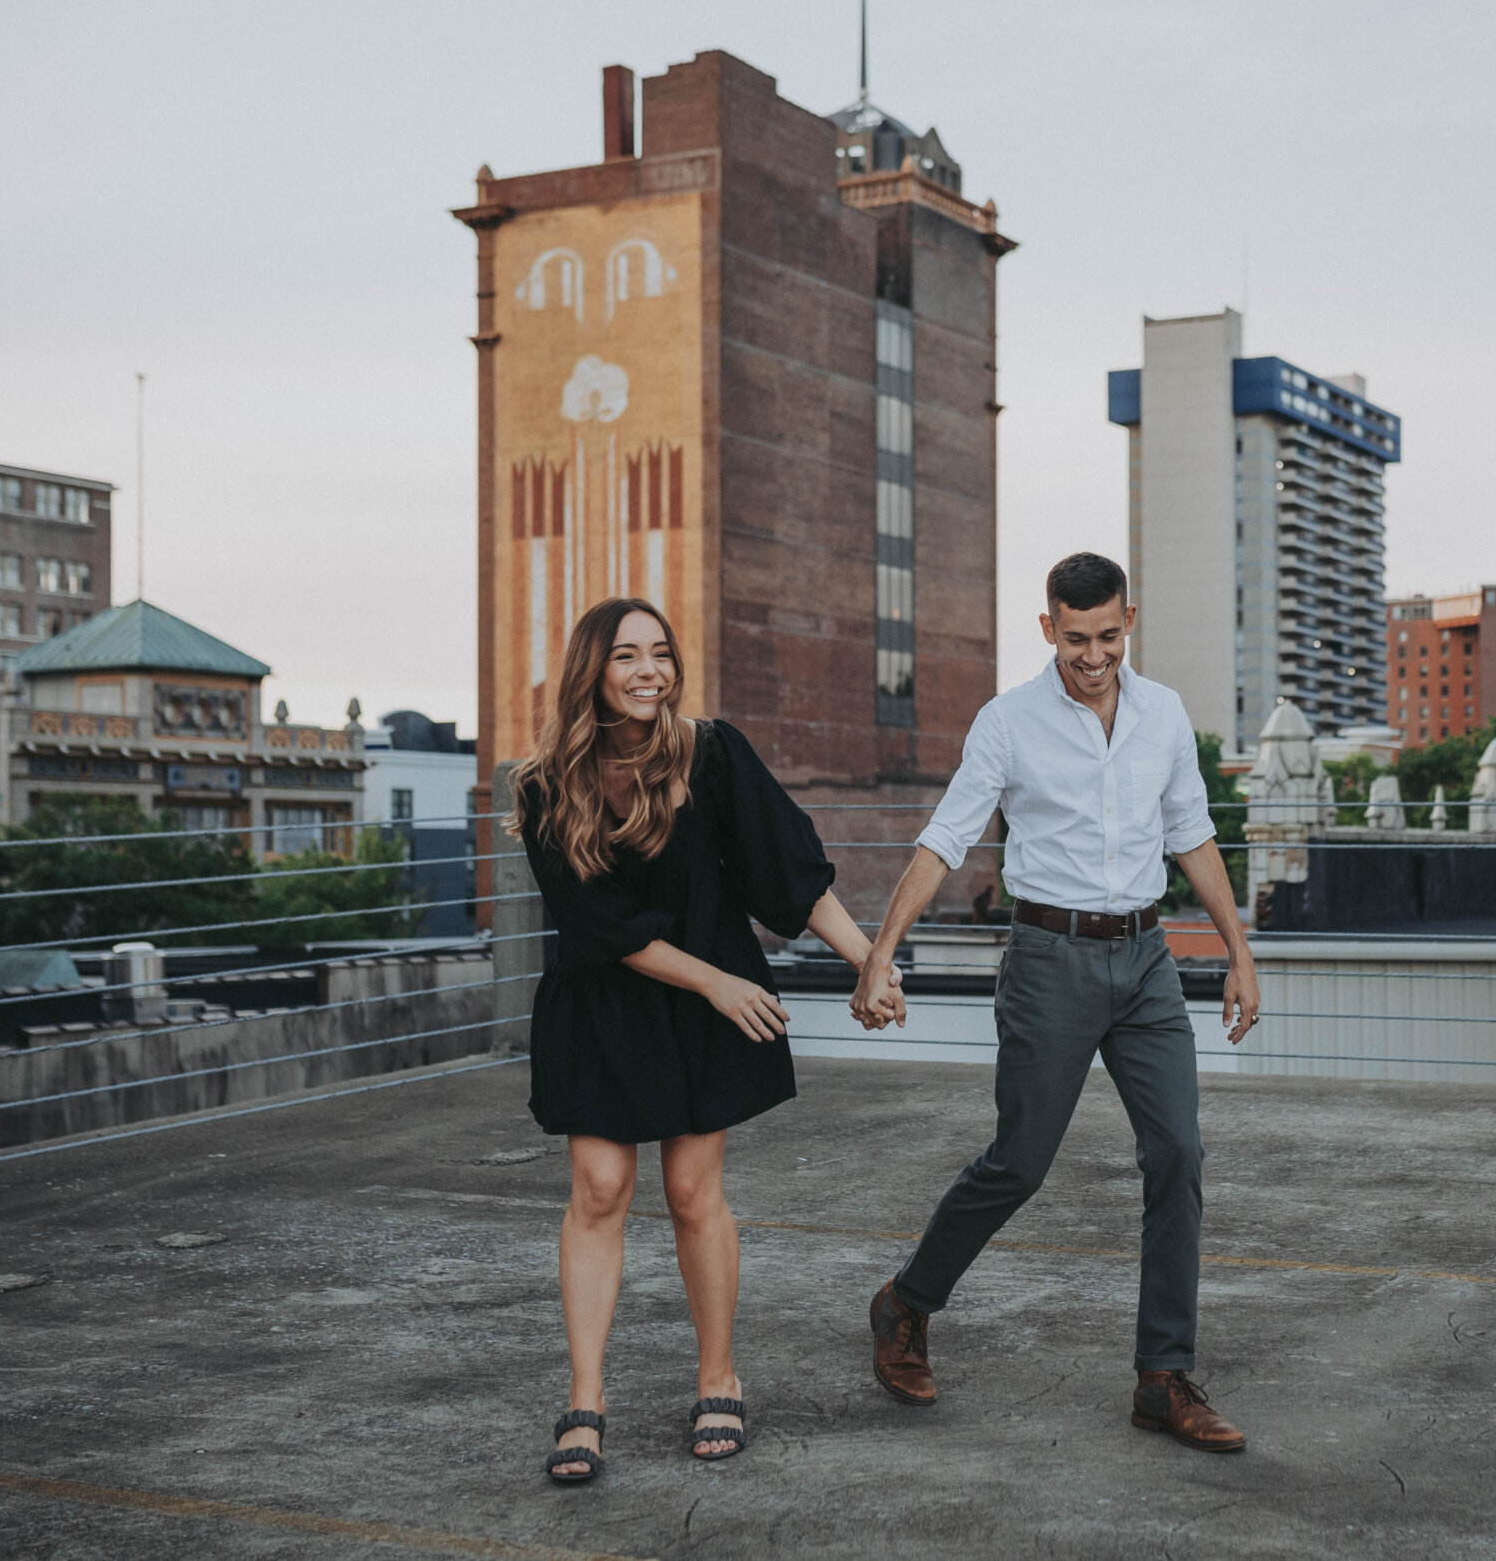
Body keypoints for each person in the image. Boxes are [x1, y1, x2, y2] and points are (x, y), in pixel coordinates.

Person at [851, 552, 1261, 1452]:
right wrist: (880, 954)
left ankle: (1163, 1376)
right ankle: (907, 1302)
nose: (1093, 654)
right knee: (1020, 1162)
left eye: (1108, 635)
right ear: (1048, 629)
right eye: (1075, 638)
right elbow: (943, 841)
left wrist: (1238, 952)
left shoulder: (1163, 714)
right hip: (1049, 960)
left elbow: (1192, 835)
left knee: (1179, 1152)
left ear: (1129, 622)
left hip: (1147, 960)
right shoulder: (1008, 723)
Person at [515, 597, 896, 1483]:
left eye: (662, 653)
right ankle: (585, 1397)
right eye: (627, 657)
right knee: (600, 1187)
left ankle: (718, 1374)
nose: (650, 671)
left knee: (692, 1189)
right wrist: (725, 982)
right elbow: (602, 924)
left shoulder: (712, 751)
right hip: (610, 1001)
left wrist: (870, 963)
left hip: (699, 1010)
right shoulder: (543, 784)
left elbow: (790, 869)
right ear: (592, 672)